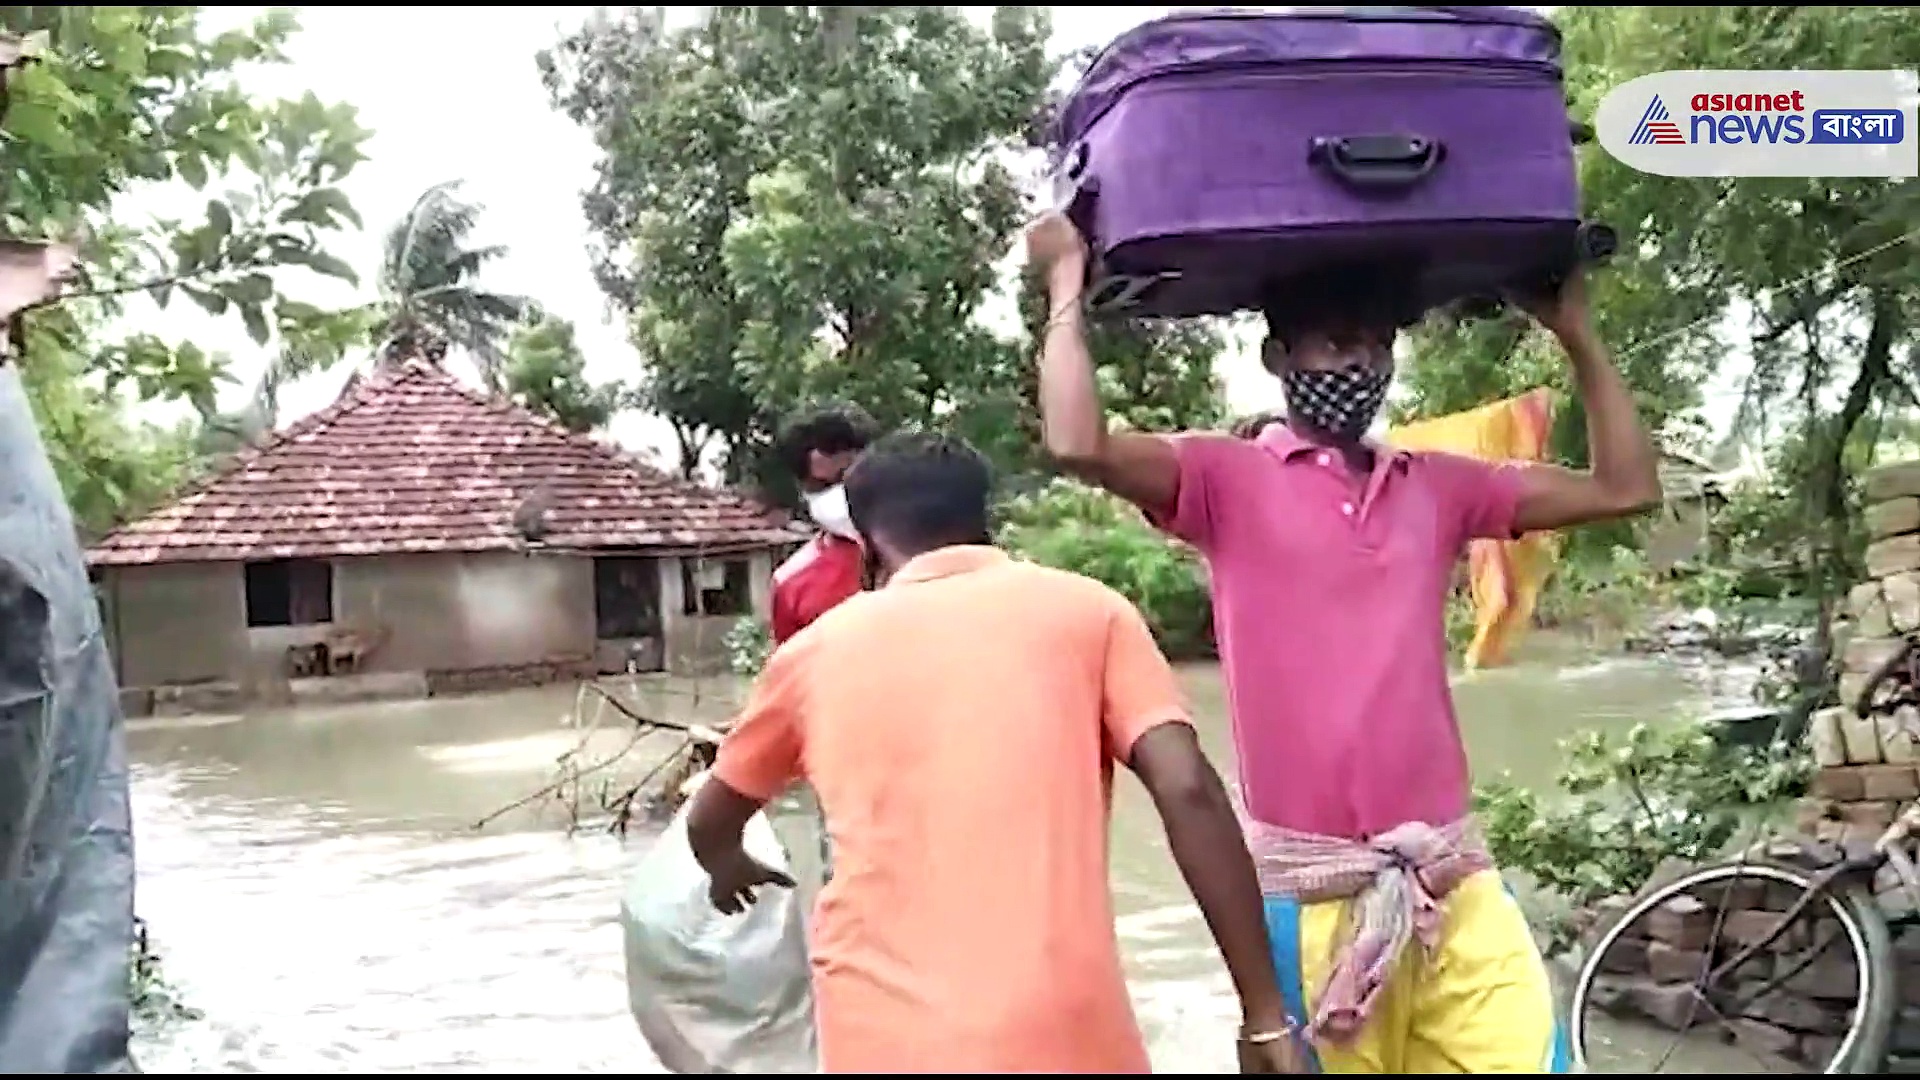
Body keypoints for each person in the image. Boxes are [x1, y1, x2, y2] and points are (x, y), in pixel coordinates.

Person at [1025, 211, 1663, 1074]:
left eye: (1373, 347)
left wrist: (1575, 333)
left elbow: (1626, 486)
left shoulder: (1440, 487)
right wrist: (1066, 279)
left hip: (1450, 883)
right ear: (1279, 359)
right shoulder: (1223, 478)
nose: (1358, 365)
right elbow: (1075, 442)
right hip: (1313, 894)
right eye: (1332, 344)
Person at [684, 430, 1305, 1074]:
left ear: (866, 546)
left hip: (882, 1039)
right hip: (1063, 1030)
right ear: (985, 520)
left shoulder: (811, 656)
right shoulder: (1089, 612)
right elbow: (1187, 788)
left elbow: (710, 822)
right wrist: (1263, 1015)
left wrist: (729, 866)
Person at [768, 404, 879, 645]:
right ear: (801, 491)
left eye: (846, 478)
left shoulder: (930, 556)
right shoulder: (793, 583)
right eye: (823, 487)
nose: (839, 496)